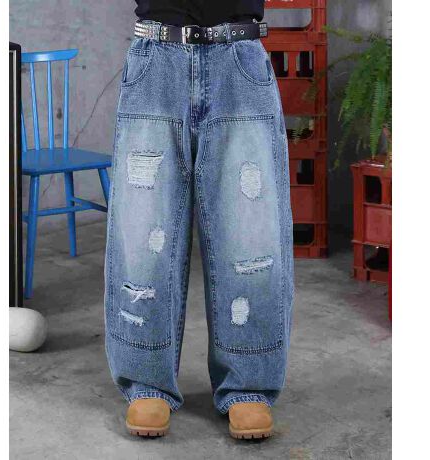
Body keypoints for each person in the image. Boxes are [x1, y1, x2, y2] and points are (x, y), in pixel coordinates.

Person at [104, 0, 294, 440]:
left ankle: (248, 383)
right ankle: (146, 380)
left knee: (249, 231)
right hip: (156, 57)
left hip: (239, 58)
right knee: (144, 226)